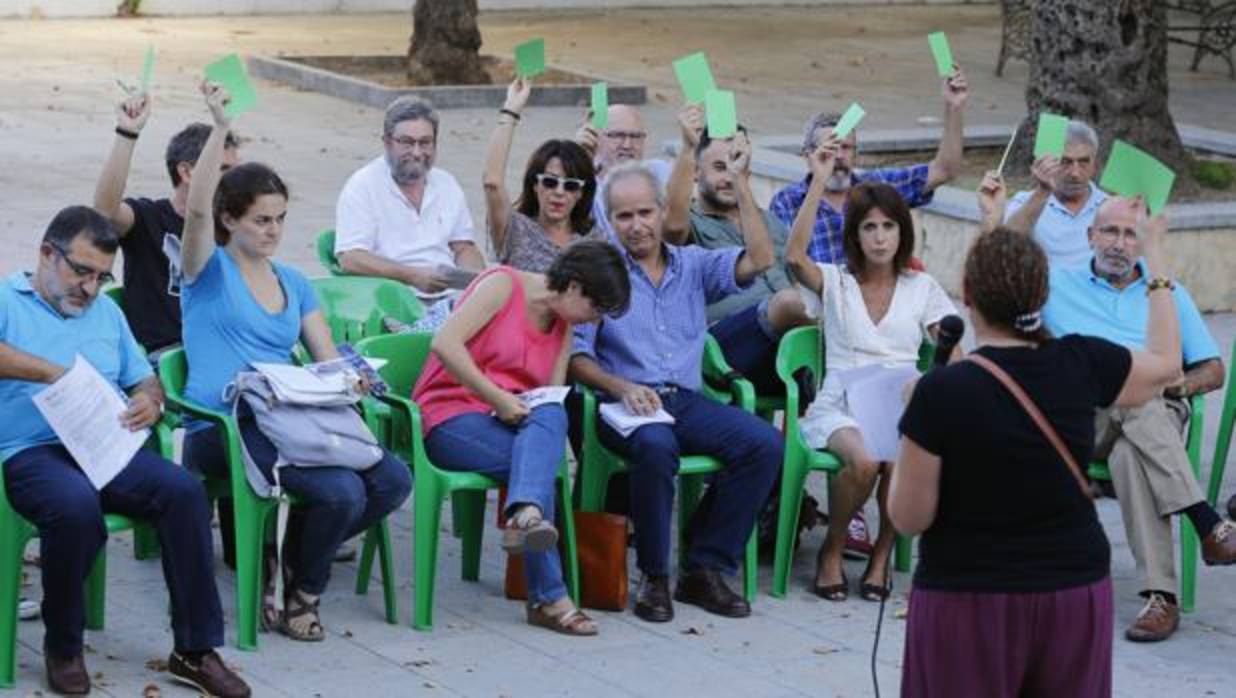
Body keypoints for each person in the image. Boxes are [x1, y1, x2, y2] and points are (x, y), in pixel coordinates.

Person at [889, 208, 1185, 697]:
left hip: (968, 594)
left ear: (967, 296)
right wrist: (1153, 257)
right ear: (1042, 295)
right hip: (1073, 590)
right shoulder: (1081, 361)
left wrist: (912, 419)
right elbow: (1168, 364)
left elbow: (907, 517)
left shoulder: (942, 392)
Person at [179, 82, 412, 642]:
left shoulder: (295, 281)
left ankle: (288, 568)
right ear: (230, 219)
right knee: (341, 491)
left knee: (390, 480)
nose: (274, 231)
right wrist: (217, 126)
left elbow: (325, 356)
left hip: (292, 417)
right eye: (261, 220)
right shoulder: (206, 273)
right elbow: (193, 213)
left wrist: (354, 380)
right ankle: (303, 591)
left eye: (280, 218)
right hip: (223, 423)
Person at [0, 205, 249, 697]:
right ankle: (64, 646)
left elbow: (144, 377)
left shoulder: (106, 312)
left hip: (102, 443)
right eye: (81, 271)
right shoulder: (9, 299)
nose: (90, 288)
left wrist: (147, 401)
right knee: (74, 508)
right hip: (33, 450)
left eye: (100, 277)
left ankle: (195, 650)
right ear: (48, 254)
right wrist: (53, 372)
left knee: (182, 492)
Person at [569, 163, 783, 623]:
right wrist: (621, 386)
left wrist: (743, 185)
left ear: (665, 211)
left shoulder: (693, 265)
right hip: (623, 405)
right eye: (624, 216)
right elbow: (576, 358)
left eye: (645, 212)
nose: (637, 225)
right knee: (655, 445)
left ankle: (703, 566)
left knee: (764, 444)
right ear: (609, 221)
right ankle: (654, 576)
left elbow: (761, 260)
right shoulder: (600, 274)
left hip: (684, 400)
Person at [1037, 192, 1232, 640]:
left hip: (1153, 415)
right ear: (1090, 235)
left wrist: (1176, 384)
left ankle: (1160, 599)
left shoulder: (1167, 291)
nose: (1119, 243)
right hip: (1086, 418)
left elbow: (1212, 368)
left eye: (1131, 234)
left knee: (1130, 454)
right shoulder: (1057, 286)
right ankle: (1207, 521)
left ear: (1144, 244)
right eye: (1110, 231)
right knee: (1133, 385)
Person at [413, 240, 630, 635]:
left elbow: (549, 398)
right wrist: (496, 397)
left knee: (552, 413)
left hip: (511, 423)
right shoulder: (502, 285)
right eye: (595, 308)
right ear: (575, 286)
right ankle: (549, 595)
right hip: (450, 414)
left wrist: (518, 409)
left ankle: (525, 515)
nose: (593, 320)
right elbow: (444, 343)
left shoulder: (563, 328)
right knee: (539, 466)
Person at [784, 133, 956, 602]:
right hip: (842, 398)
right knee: (864, 459)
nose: (880, 237)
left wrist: (944, 360)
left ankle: (881, 557)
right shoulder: (836, 282)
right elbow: (794, 257)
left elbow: (949, 342)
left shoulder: (921, 287)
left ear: (903, 232)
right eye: (869, 228)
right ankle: (834, 548)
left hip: (899, 397)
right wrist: (818, 181)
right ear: (854, 235)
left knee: (903, 457)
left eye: (889, 227)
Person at [663, 105, 808, 393]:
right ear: (695, 171)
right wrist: (688, 148)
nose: (729, 177)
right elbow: (672, 226)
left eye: (736, 165)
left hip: (785, 349)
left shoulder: (769, 221)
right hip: (721, 350)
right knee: (791, 304)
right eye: (719, 168)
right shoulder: (691, 222)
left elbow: (798, 278)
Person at [92, 90, 241, 358]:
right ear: (186, 172)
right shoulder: (148, 218)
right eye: (224, 170)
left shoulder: (234, 226)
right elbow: (103, 212)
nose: (234, 181)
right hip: (165, 357)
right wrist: (127, 134)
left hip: (219, 351)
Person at [770, 67, 968, 265]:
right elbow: (782, 265)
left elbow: (944, 170)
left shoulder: (877, 188)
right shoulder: (787, 201)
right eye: (829, 149)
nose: (838, 156)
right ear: (808, 156)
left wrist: (954, 107)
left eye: (846, 148)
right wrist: (818, 183)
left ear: (856, 154)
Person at [334, 95, 486, 331]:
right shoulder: (363, 186)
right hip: (392, 301)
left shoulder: (447, 184)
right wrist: (413, 276)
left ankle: (440, 324)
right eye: (406, 142)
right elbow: (350, 258)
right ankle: (429, 329)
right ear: (386, 142)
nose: (416, 152)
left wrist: (474, 279)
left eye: (425, 143)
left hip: (450, 298)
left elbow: (464, 247)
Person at [482, 78, 605, 272]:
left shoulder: (593, 240)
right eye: (549, 182)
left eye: (570, 186)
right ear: (534, 185)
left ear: (581, 193)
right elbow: (492, 182)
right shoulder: (515, 231)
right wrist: (511, 111)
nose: (559, 192)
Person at [1002, 119, 1108, 268]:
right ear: (1047, 163)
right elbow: (1006, 245)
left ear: (1095, 165)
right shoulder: (1025, 202)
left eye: (1083, 162)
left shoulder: (1109, 207)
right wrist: (1043, 192)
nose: (1075, 173)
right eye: (1065, 162)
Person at [575, 103, 673, 235]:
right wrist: (577, 157)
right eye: (617, 135)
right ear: (596, 137)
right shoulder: (584, 179)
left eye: (635, 136)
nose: (627, 145)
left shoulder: (661, 172)